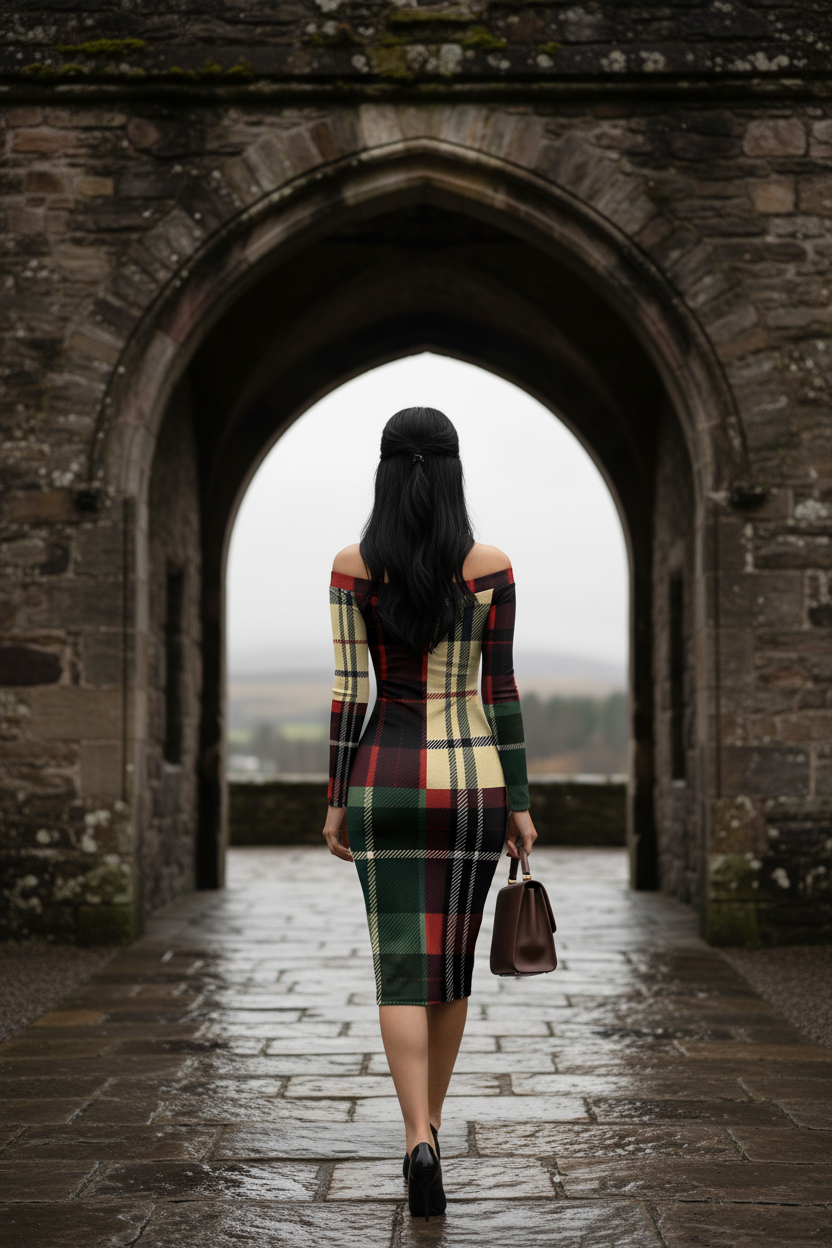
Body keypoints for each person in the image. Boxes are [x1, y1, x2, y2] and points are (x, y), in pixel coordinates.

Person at [321, 406, 537, 1221]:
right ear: (452, 471)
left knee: (399, 962)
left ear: (386, 469)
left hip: (384, 778)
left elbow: (349, 695)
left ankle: (415, 1134)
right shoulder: (492, 567)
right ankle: (433, 1132)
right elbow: (501, 692)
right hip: (472, 783)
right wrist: (519, 803)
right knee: (449, 964)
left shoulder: (351, 566)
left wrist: (337, 801)